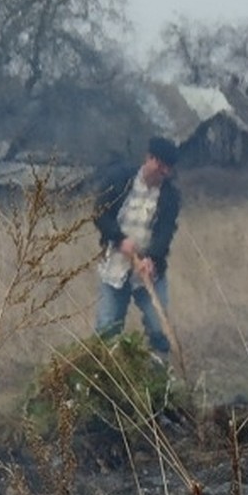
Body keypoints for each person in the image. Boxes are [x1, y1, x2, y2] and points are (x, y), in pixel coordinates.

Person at [92, 135, 181, 361]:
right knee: (107, 328)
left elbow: (165, 232)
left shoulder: (170, 196)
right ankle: (106, 376)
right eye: (158, 165)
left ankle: (161, 374)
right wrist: (119, 239)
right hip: (116, 266)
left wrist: (152, 258)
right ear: (149, 159)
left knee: (158, 326)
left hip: (149, 272)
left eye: (167, 169)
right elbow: (100, 213)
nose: (162, 172)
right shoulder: (120, 179)